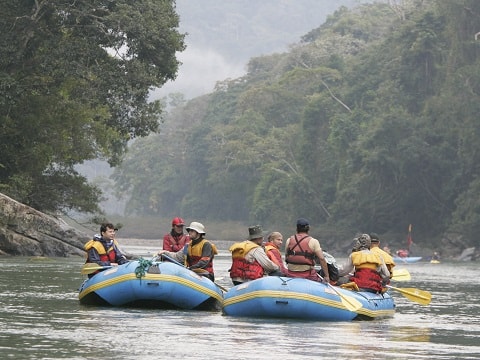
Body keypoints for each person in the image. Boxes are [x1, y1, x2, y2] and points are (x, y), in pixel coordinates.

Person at [284, 218, 330, 283]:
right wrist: (327, 276)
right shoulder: (314, 241)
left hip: (291, 274)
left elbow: (286, 257)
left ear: (297, 228)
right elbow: (322, 259)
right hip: (308, 275)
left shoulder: (289, 240)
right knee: (320, 280)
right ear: (308, 229)